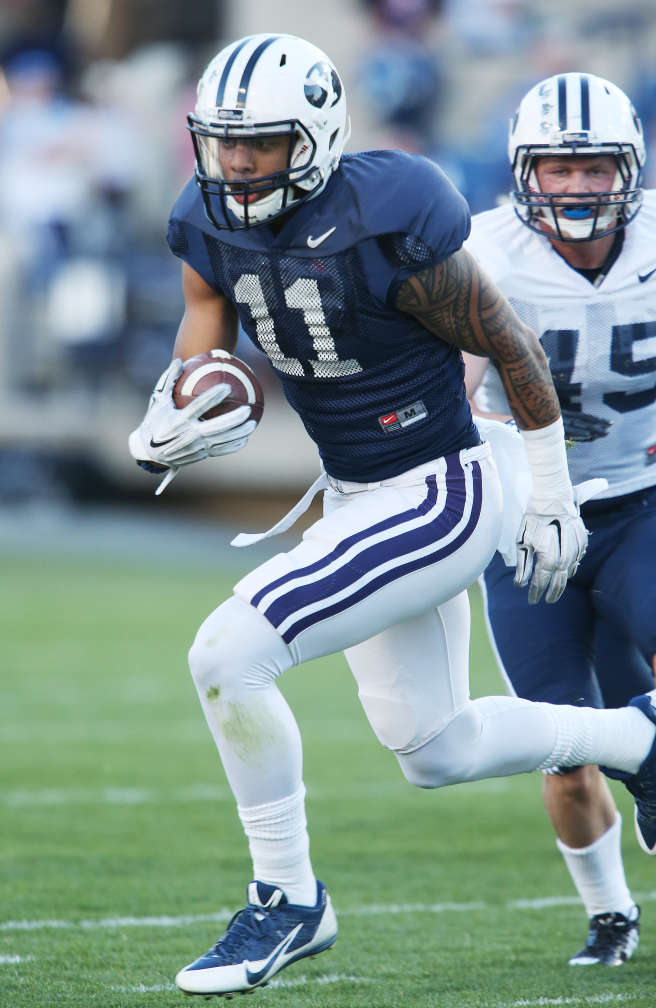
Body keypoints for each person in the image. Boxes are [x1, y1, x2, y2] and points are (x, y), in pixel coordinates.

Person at [127, 38, 656, 997]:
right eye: (224, 143)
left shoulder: (385, 218)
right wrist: (180, 396)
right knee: (437, 750)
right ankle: (642, 741)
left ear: (319, 137)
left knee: (226, 653)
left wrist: (547, 493)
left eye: (264, 143)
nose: (238, 164)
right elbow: (209, 307)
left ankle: (288, 898)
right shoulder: (200, 216)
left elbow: (514, 349)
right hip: (357, 492)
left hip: (441, 484)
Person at [463, 72, 656, 966]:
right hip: (527, 522)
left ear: (630, 167)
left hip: (638, 501)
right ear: (522, 170)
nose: (576, 186)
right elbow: (454, 391)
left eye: (592, 167)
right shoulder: (482, 251)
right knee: (562, 744)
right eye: (556, 166)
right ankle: (611, 911)